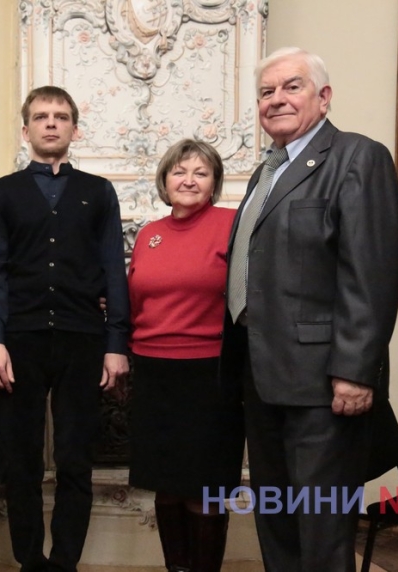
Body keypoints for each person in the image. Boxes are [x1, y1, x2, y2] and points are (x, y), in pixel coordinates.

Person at [220, 47, 398, 571]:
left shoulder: (358, 158)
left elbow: (370, 274)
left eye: (291, 86)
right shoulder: (265, 173)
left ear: (324, 97)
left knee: (321, 530)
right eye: (266, 92)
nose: (276, 99)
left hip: (323, 386)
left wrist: (355, 373)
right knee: (277, 524)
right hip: (262, 379)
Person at [0, 86, 130, 572]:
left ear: (74, 129)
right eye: (42, 116)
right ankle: (30, 561)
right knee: (21, 460)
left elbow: (113, 269)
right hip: (19, 340)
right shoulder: (3, 191)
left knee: (74, 459)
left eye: (61, 116)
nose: (51, 123)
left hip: (82, 338)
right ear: (26, 130)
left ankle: (65, 562)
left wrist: (116, 343)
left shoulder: (99, 191)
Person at [128, 140, 244, 572]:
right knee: (166, 486)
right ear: (165, 180)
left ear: (214, 183)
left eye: (201, 172)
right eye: (179, 171)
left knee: (204, 488)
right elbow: (136, 302)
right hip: (152, 372)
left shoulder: (232, 225)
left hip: (209, 374)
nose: (189, 180)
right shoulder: (148, 234)